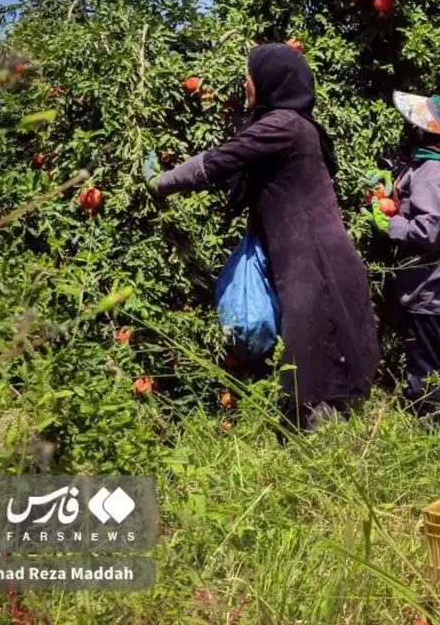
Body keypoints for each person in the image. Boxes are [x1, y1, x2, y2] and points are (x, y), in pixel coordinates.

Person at [146, 43, 380, 431]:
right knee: (317, 342)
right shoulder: (294, 125)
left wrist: (161, 182)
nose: (245, 83)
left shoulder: (283, 126)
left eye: (250, 76)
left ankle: (321, 443)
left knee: (311, 348)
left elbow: (219, 161)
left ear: (271, 82)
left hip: (313, 258)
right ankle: (327, 433)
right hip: (310, 253)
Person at [367, 90, 440, 418]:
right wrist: (392, 183)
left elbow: (427, 232)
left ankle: (437, 430)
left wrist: (389, 224)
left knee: (428, 376)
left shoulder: (435, 172)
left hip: (433, 292)